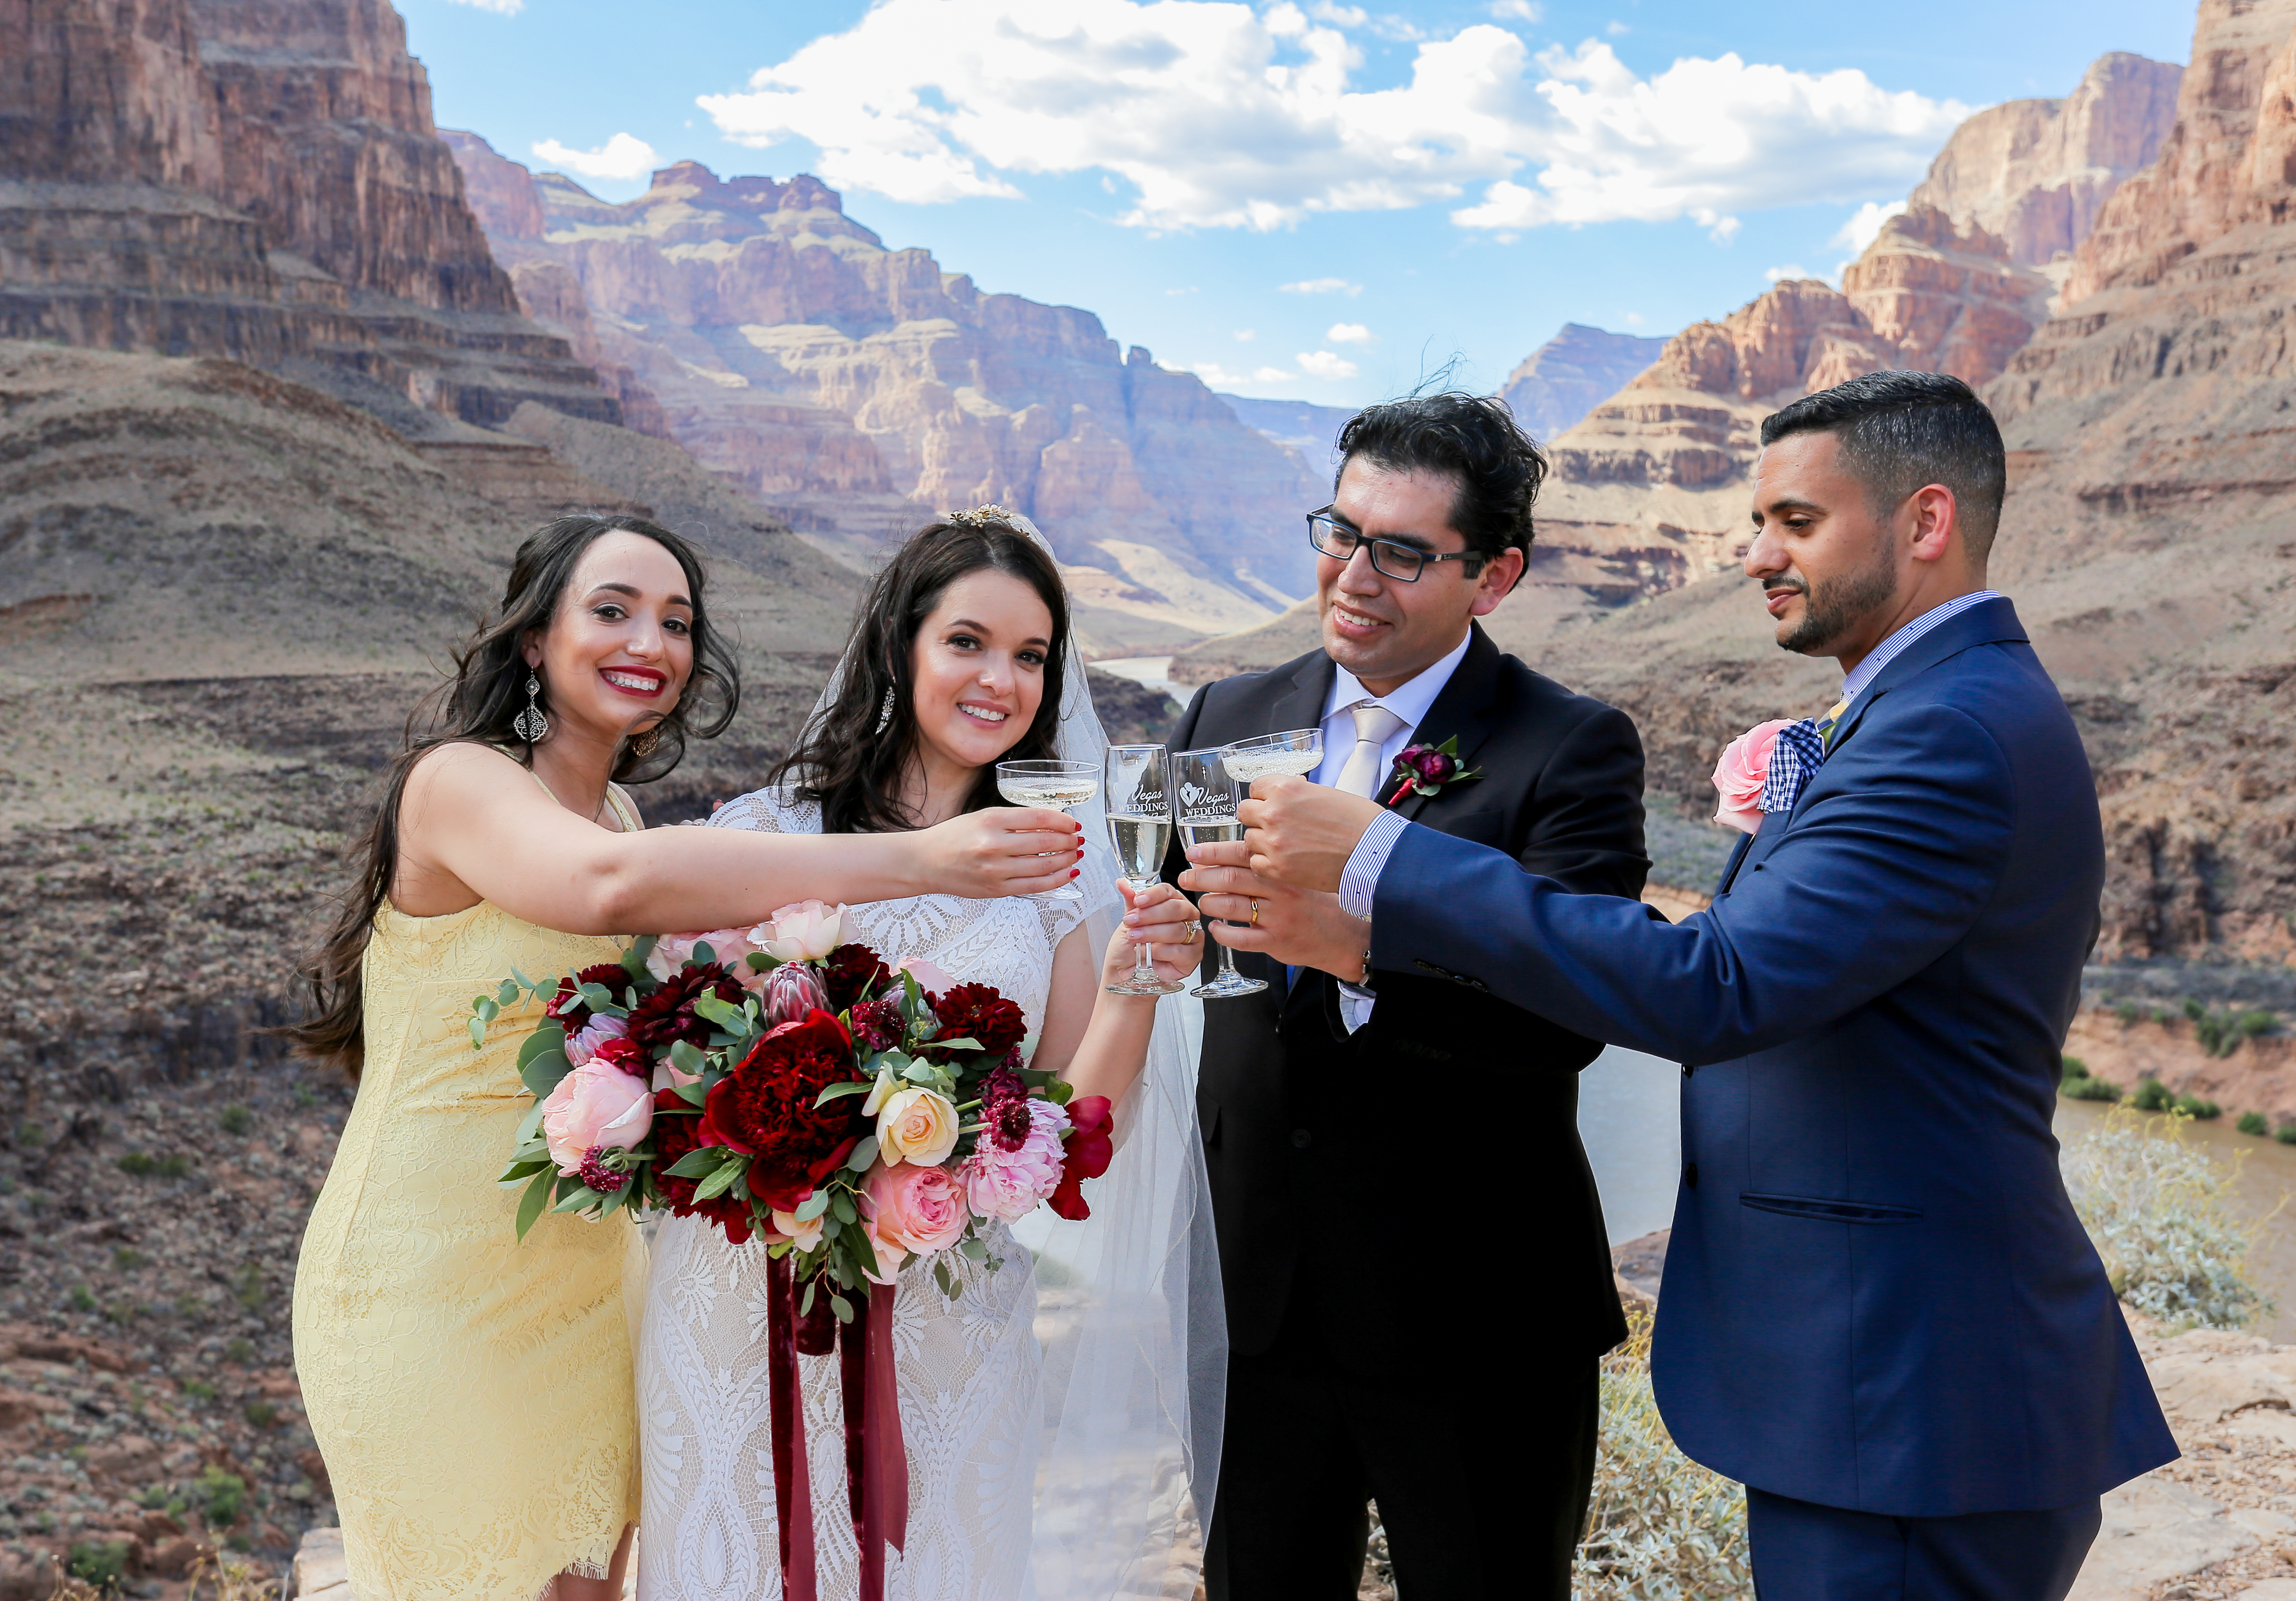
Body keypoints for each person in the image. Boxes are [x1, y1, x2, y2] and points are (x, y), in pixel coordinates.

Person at [1229, 373, 2179, 1600]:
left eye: (1794, 523)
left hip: (1913, 1391)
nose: (1752, 557)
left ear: (1925, 523)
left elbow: (1718, 984)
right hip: (1878, 1384)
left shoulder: (1948, 732)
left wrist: (1377, 858)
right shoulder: (1921, 709)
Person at [287, 513, 1085, 1601]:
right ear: (534, 638)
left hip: (586, 1279)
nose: (649, 643)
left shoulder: (612, 810)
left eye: (676, 622)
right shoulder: (459, 781)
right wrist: (922, 860)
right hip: (431, 1276)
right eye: (611, 611)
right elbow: (612, 893)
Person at [636, 508, 1218, 1601]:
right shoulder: (767, 827)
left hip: (947, 1315)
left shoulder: (1061, 878)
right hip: (740, 1306)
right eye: (968, 641)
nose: (1002, 679)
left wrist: (1139, 979)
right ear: (902, 644)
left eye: (1032, 656)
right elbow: (673, 1052)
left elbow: (1074, 1119)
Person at [1166, 393, 1649, 1601]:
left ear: (1494, 577)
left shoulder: (1572, 749)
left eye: (1403, 552)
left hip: (1476, 1313)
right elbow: (1182, 927)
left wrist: (1356, 947)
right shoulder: (1227, 718)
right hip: (1256, 1298)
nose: (1353, 575)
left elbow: (1568, 1019)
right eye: (1340, 530)